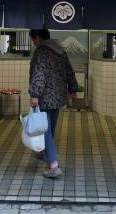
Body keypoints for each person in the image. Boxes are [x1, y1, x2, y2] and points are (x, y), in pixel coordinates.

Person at [28, 28, 78, 179]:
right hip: (58, 97)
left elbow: (38, 72)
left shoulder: (41, 51)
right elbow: (69, 70)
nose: (33, 43)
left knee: (46, 130)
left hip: (44, 97)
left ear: (37, 38)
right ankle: (46, 155)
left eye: (33, 40)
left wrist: (35, 94)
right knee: (50, 129)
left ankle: (54, 165)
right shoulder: (60, 50)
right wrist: (73, 88)